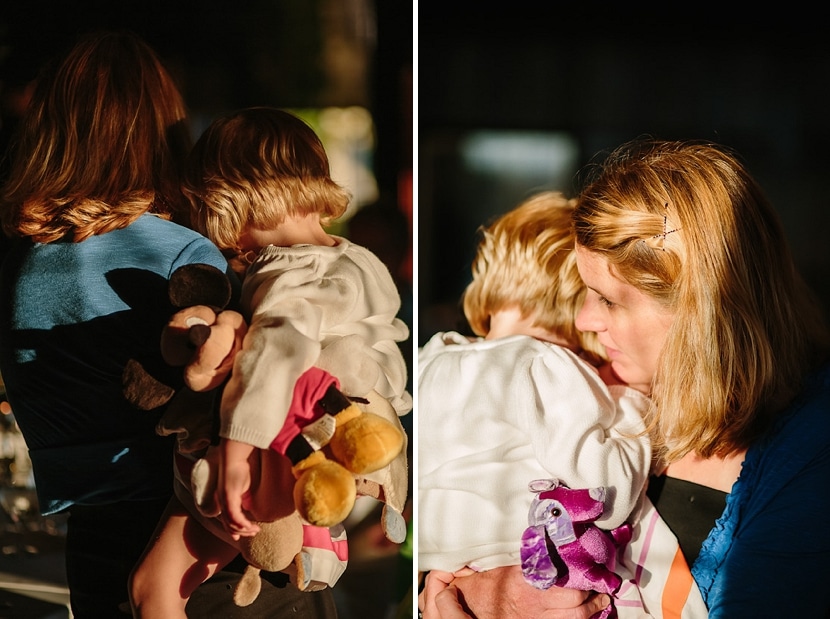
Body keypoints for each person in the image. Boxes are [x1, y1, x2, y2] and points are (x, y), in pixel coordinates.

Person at [420, 138, 830, 619]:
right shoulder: (607, 383)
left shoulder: (810, 457)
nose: (585, 322)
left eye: (609, 300)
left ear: (701, 310)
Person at [129, 106, 412, 617]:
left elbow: (276, 351)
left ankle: (299, 535)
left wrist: (237, 455)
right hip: (359, 449)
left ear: (229, 203)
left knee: (153, 585)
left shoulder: (284, 273)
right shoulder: (359, 259)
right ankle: (315, 539)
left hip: (288, 452)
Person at [0, 30, 237, 617]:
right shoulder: (185, 254)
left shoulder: (17, 267)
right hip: (190, 539)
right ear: (163, 126)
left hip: (91, 536)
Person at [418, 191, 651, 587]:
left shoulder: (430, 360)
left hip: (437, 572)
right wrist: (631, 402)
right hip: (532, 574)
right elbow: (608, 496)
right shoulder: (545, 367)